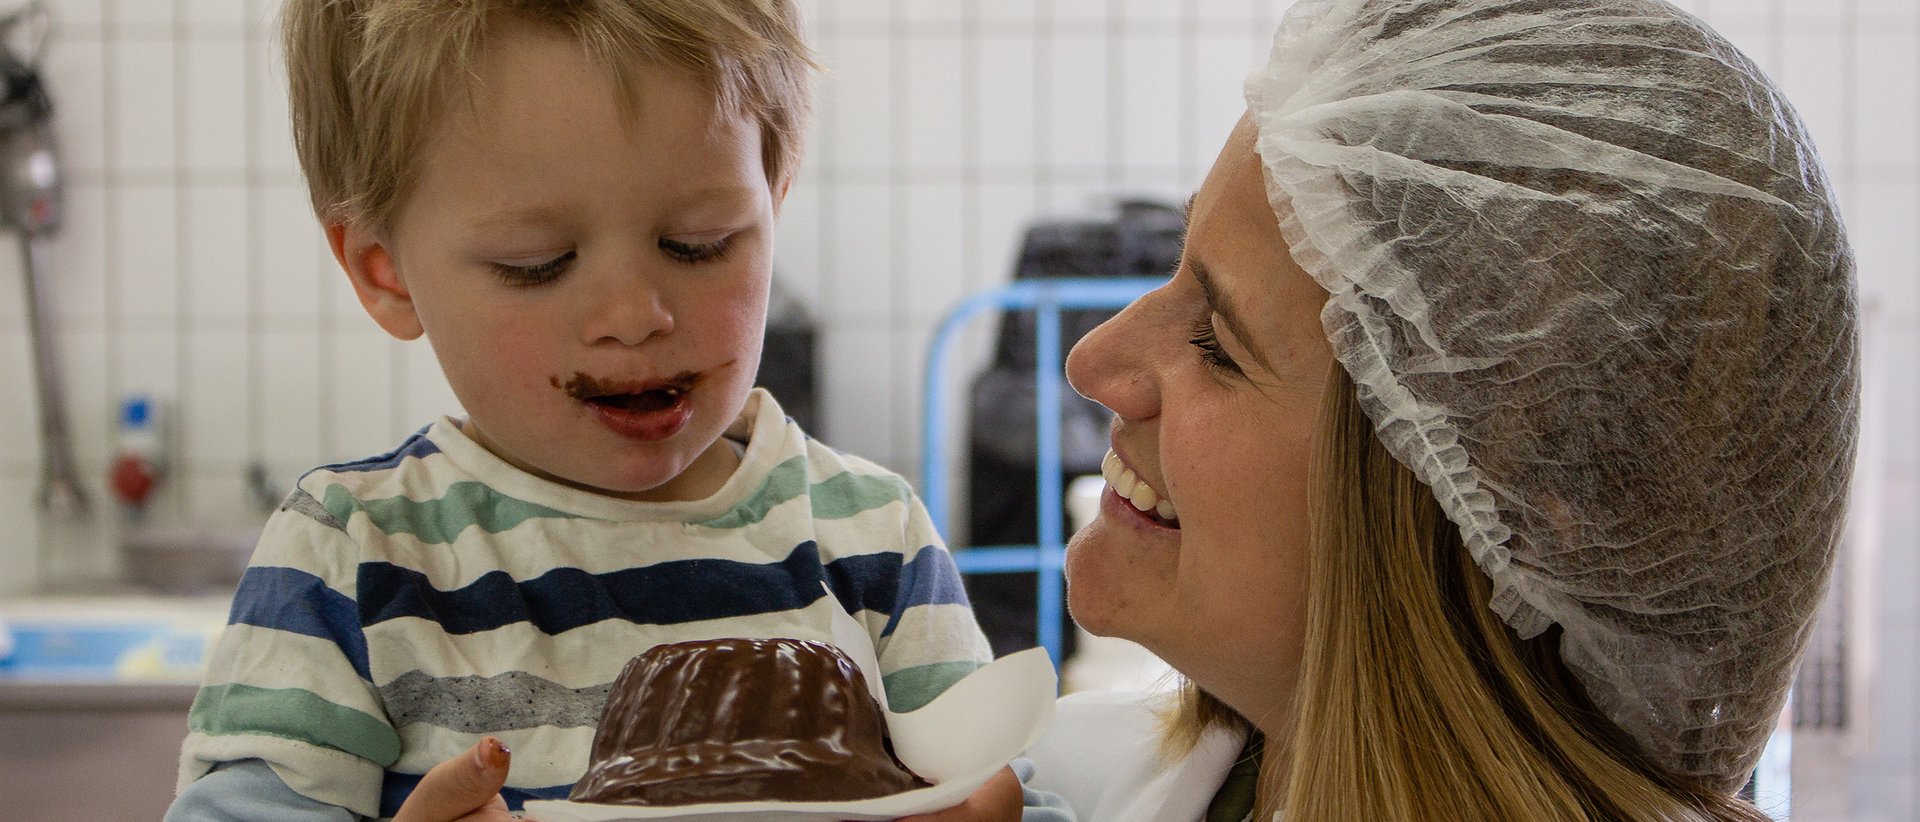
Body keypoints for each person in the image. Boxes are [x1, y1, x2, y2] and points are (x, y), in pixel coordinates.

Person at [1007, 0, 1859, 819]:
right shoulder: (1049, 784)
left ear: (1518, 517)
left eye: (1218, 347)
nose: (1094, 362)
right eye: (1173, 269)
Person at [164, 2, 1008, 819]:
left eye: (700, 242)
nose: (635, 314)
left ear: (773, 203)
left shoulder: (872, 541)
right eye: (537, 263)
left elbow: (1006, 792)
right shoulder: (355, 559)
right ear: (385, 271)